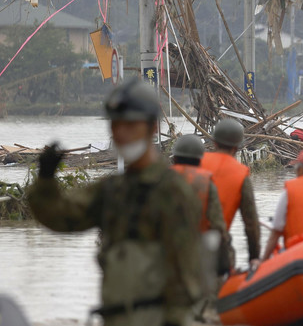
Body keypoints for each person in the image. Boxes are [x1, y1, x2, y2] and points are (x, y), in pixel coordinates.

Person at [28, 78, 203, 326]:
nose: (122, 132)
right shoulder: (112, 190)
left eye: (131, 124)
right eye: (116, 124)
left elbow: (186, 278)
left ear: (152, 127)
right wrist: (46, 179)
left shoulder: (173, 192)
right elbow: (61, 218)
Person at [200, 118, 261, 271]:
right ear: (237, 147)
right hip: (215, 248)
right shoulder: (241, 173)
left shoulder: (195, 162)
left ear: (214, 142)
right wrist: (254, 257)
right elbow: (251, 223)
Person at [171, 134, 232, 276]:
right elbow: (218, 226)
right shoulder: (206, 183)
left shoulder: (158, 179)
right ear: (200, 160)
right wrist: (224, 265)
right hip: (195, 258)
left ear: (174, 158)